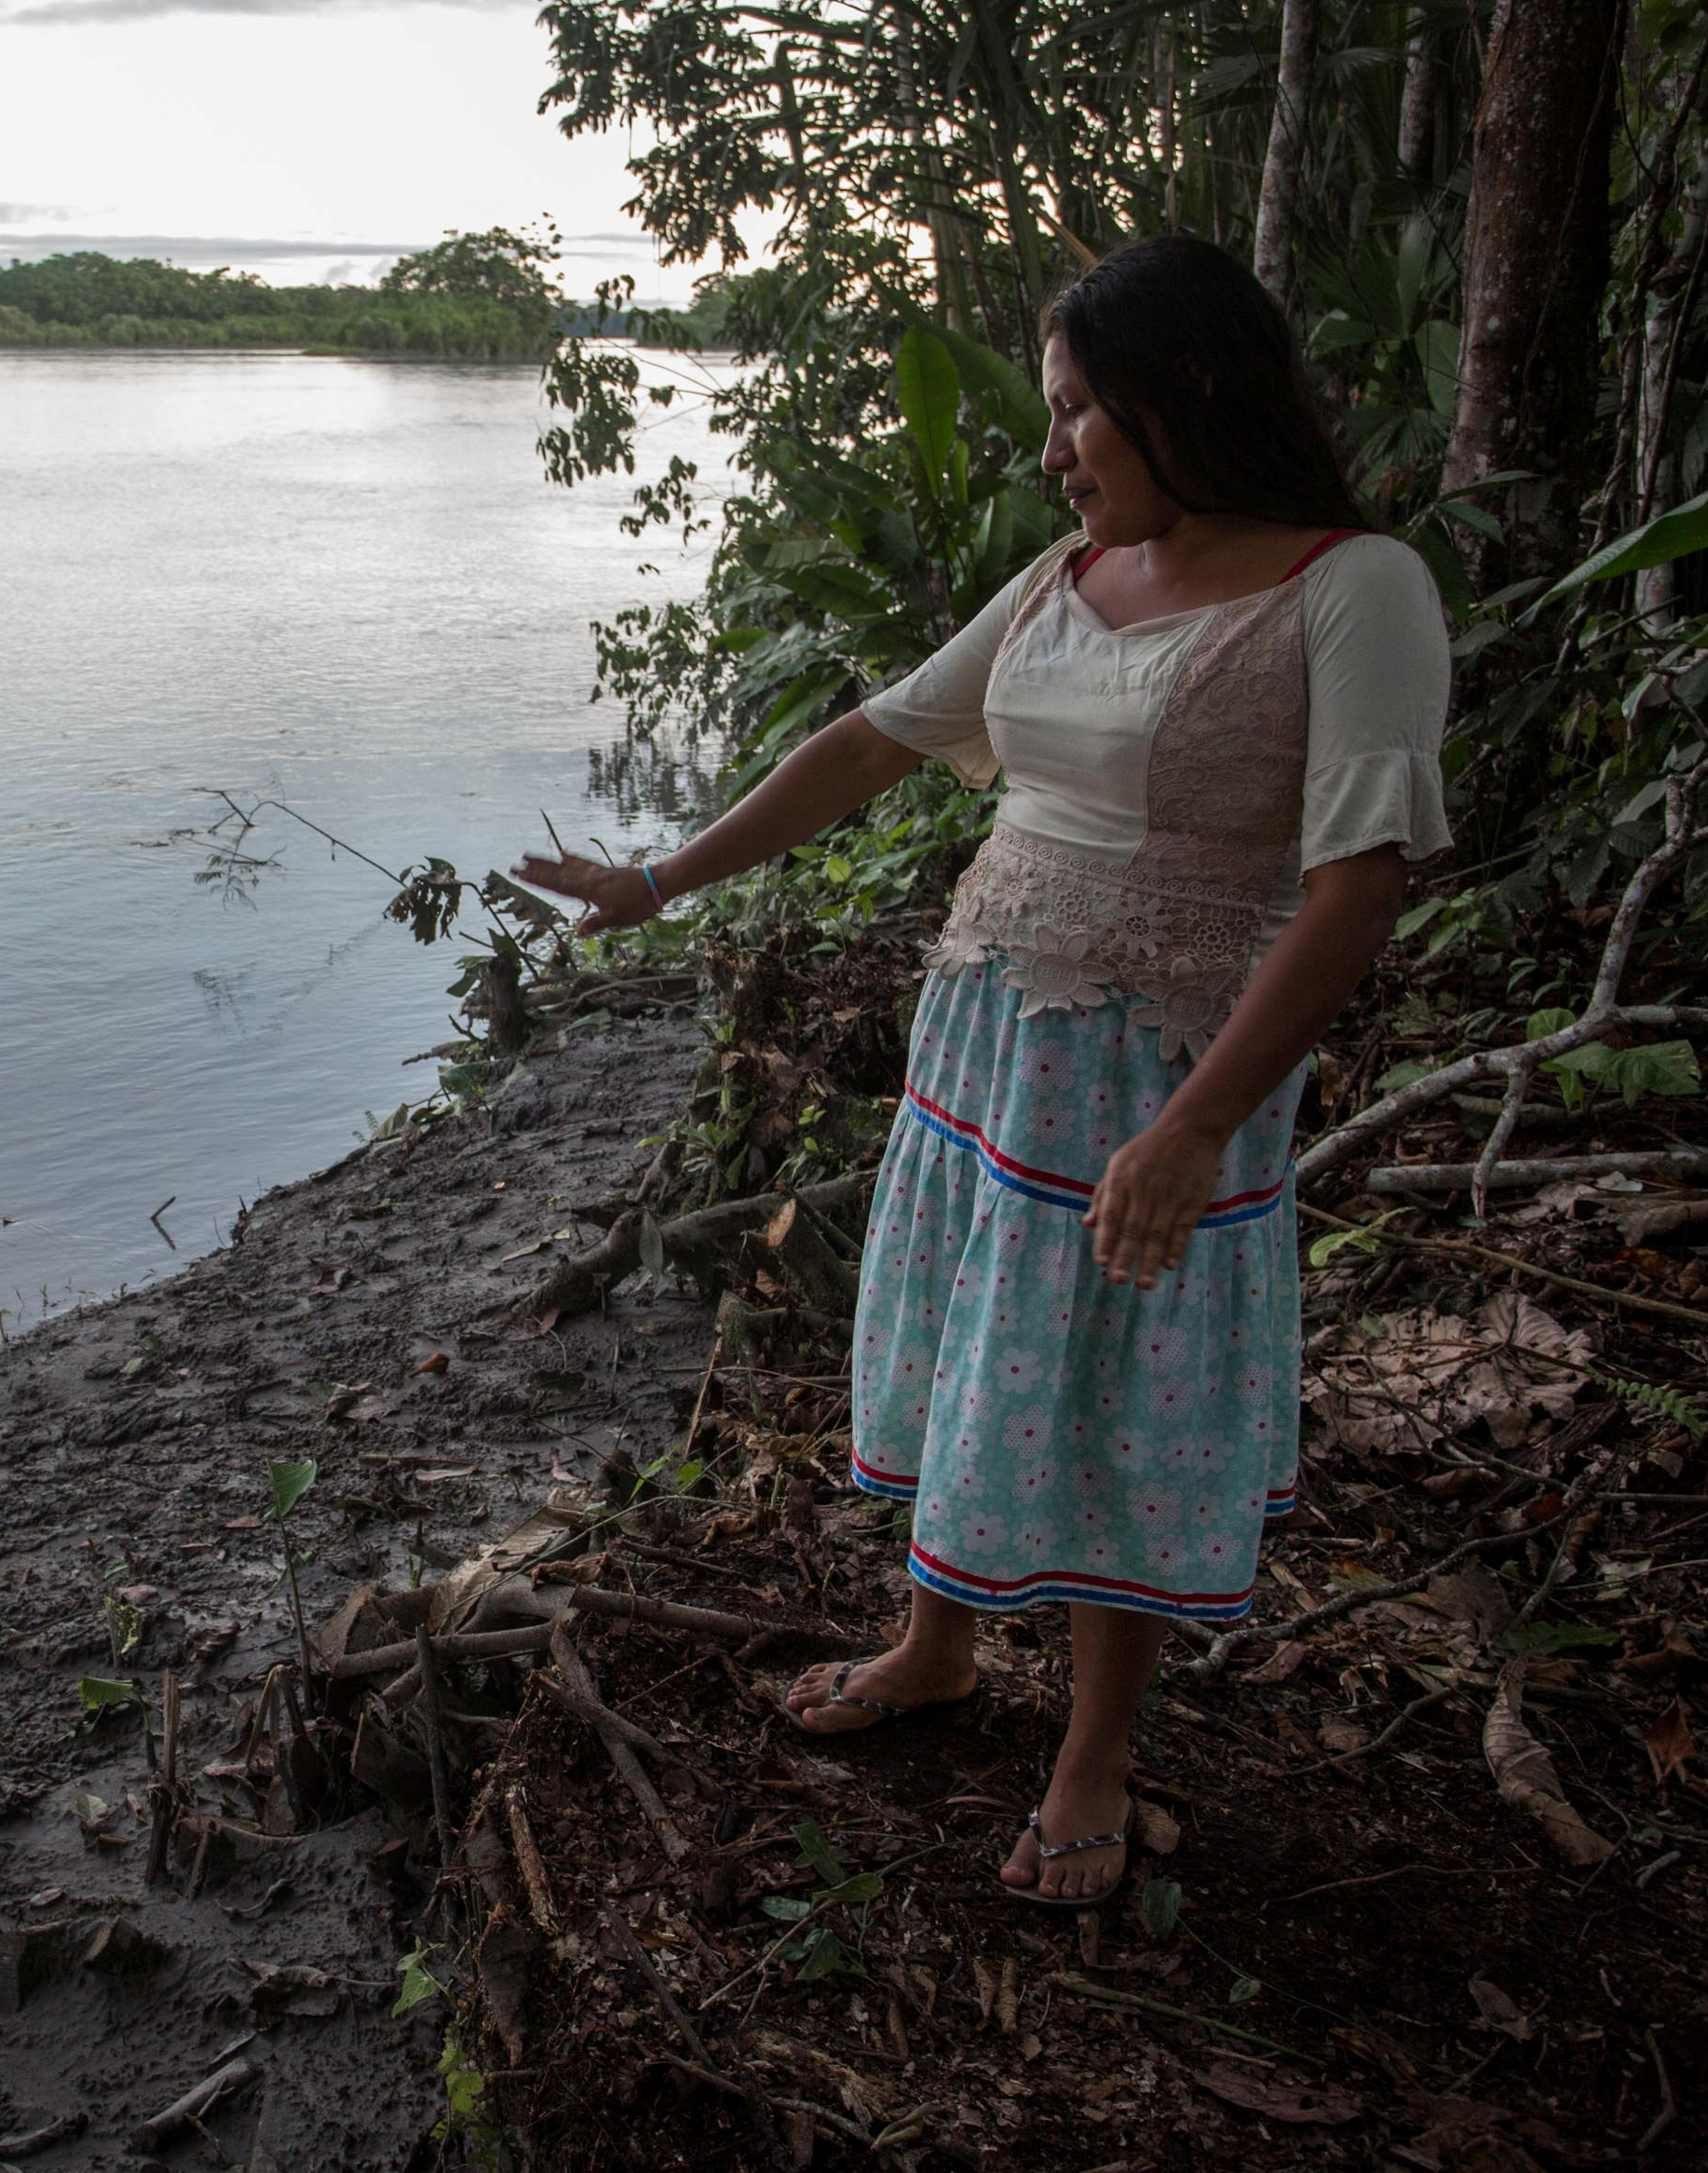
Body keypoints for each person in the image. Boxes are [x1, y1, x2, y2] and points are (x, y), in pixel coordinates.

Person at [516, 236, 1450, 1908]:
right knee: (978, 1343)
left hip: (1164, 1071)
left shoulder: (1350, 586)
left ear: (1191, 394)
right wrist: (658, 880)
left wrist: (1196, 1124)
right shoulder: (1056, 582)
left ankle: (1092, 1752)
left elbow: (1358, 886)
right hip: (988, 1041)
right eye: (1052, 412)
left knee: (1111, 1388)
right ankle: (934, 1642)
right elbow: (867, 742)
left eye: (1082, 409)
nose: (1055, 448)